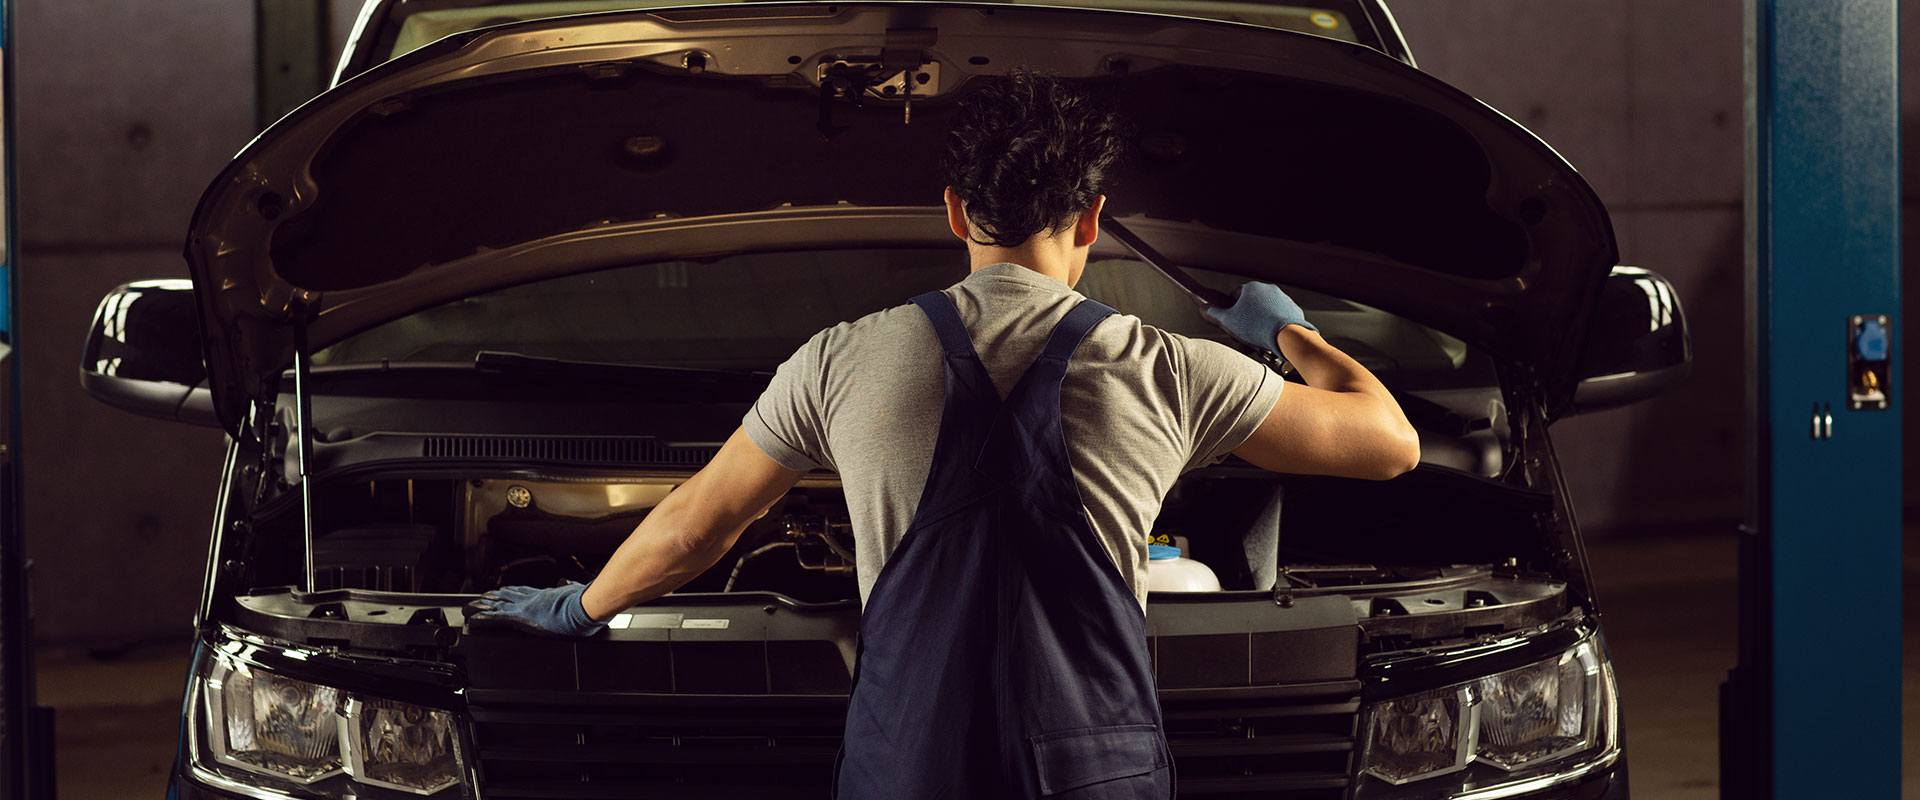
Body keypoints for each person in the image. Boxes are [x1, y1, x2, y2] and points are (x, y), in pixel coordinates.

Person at [467, 68, 1419, 798]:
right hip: (1095, 769)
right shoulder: (1166, 368)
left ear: (956, 211)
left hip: (908, 763)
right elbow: (1390, 443)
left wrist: (580, 609)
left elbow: (694, 529)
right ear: (1091, 217)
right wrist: (1290, 334)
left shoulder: (840, 360)